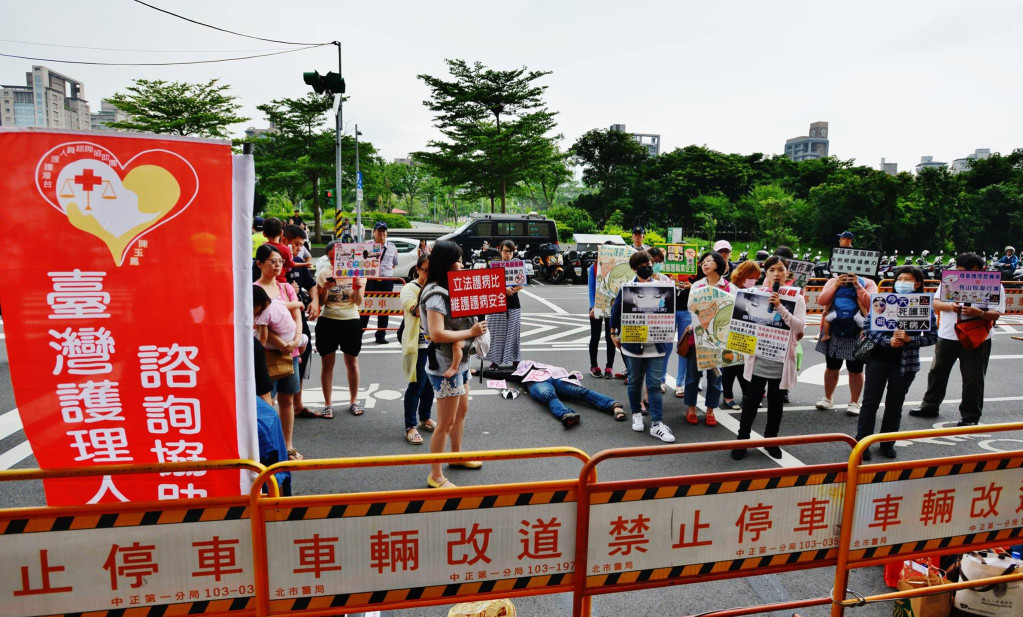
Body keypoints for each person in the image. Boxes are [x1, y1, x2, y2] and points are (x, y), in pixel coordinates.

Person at [420, 241, 489, 489]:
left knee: (461, 413)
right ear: (447, 263)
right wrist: (470, 331)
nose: (462, 264)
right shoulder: (436, 294)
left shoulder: (451, 288)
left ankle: (456, 455)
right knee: (445, 422)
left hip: (460, 361)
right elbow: (437, 334)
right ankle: (435, 475)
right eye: (459, 260)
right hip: (444, 364)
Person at [909, 252, 1004, 426]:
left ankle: (970, 416)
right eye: (961, 270)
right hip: (947, 335)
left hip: (977, 337)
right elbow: (935, 302)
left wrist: (980, 313)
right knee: (937, 372)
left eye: (971, 271)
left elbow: (996, 314)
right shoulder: (950, 280)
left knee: (973, 378)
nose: (965, 274)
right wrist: (950, 306)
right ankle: (929, 406)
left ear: (982, 269)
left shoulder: (994, 284)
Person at [857, 266, 938, 460]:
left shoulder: (924, 306)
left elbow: (932, 336)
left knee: (895, 404)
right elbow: (868, 328)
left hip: (905, 363)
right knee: (870, 402)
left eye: (907, 279)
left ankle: (887, 443)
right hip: (878, 358)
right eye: (899, 278)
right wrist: (888, 341)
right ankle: (862, 443)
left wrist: (911, 340)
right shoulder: (883, 301)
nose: (901, 282)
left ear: (917, 283)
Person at [732, 256, 806, 460]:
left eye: (780, 269)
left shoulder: (796, 297)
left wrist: (781, 307)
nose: (776, 273)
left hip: (781, 359)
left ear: (787, 272)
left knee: (776, 403)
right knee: (751, 400)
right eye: (772, 269)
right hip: (759, 355)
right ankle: (742, 439)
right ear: (766, 272)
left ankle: (771, 440)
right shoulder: (756, 293)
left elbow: (799, 326)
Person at [610, 250, 675, 443]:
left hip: (656, 344)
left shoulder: (663, 287)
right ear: (634, 269)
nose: (648, 267)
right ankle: (637, 413)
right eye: (642, 266)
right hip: (633, 344)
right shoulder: (628, 288)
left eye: (649, 263)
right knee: (635, 381)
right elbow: (616, 311)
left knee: (654, 384)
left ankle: (657, 423)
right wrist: (613, 332)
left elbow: (669, 312)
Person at [253, 245, 305, 461]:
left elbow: (297, 317)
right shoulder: (254, 289)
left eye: (280, 261)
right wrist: (281, 342)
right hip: (267, 355)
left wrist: (295, 340)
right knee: (268, 402)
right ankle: (271, 448)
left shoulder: (286, 288)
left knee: (288, 400)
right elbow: (260, 324)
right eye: (272, 261)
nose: (277, 265)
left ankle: (288, 446)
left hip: (290, 353)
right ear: (259, 264)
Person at [310, 240, 366, 418]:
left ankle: (354, 401)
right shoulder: (324, 273)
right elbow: (322, 302)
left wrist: (357, 288)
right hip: (328, 320)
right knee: (327, 364)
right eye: (331, 259)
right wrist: (325, 289)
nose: (335, 262)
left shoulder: (358, 274)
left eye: (338, 258)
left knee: (352, 363)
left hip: (351, 320)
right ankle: (328, 404)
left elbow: (358, 302)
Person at [814, 264, 878, 415]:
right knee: (832, 366)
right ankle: (828, 398)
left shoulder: (868, 282)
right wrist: (835, 285)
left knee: (855, 368)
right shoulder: (834, 280)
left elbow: (873, 304)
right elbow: (822, 300)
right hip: (834, 328)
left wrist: (857, 286)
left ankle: (854, 402)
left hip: (857, 331)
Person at [482, 361, 626, 427]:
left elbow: (563, 372)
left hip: (556, 379)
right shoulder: (520, 373)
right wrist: (478, 372)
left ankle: (612, 405)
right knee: (549, 396)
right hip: (537, 383)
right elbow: (501, 374)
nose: (526, 363)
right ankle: (565, 414)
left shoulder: (547, 366)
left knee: (581, 392)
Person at [683, 251, 734, 426]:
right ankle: (691, 409)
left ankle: (711, 410)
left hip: (718, 341)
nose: (705, 264)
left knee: (715, 378)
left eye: (709, 261)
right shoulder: (697, 285)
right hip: (696, 339)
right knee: (692, 377)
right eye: (703, 262)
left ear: (718, 264)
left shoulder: (729, 288)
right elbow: (691, 307)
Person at [400, 254, 436, 445]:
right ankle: (410, 426)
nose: (429, 274)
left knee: (431, 384)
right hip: (419, 344)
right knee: (417, 385)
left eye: (433, 270)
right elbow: (416, 311)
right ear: (417, 269)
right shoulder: (409, 289)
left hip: (436, 343)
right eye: (425, 270)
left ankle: (425, 418)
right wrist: (429, 290)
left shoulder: (436, 287)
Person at [719, 260, 761, 410]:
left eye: (755, 277)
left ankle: (747, 395)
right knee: (730, 366)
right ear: (741, 275)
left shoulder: (754, 290)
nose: (752, 280)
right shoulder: (730, 289)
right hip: (730, 332)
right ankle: (728, 396)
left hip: (747, 333)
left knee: (746, 365)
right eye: (750, 276)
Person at [587, 241, 624, 379]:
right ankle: (594, 365)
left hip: (613, 307)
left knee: (611, 336)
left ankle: (609, 366)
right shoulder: (594, 267)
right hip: (598, 305)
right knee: (595, 336)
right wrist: (592, 306)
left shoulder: (619, 266)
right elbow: (591, 288)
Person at [486, 240, 524, 369]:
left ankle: (515, 359)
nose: (508, 254)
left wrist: (511, 290)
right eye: (505, 251)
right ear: (500, 251)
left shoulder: (517, 265)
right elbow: (490, 284)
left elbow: (521, 285)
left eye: (510, 251)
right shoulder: (494, 265)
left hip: (513, 303)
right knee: (496, 333)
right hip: (497, 303)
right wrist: (503, 289)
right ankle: (495, 361)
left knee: (514, 333)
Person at [362, 222, 400, 344]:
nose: (382, 233)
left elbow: (394, 264)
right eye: (379, 231)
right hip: (370, 280)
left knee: (384, 308)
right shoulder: (366, 246)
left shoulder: (392, 247)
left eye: (384, 231)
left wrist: (384, 273)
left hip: (386, 281)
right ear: (374, 233)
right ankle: (359, 333)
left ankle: (381, 335)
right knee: (365, 307)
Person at [261, 217, 296, 283]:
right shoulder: (285, 249)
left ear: (264, 234)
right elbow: (289, 267)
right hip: (281, 282)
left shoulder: (262, 247)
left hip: (265, 281)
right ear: (282, 233)